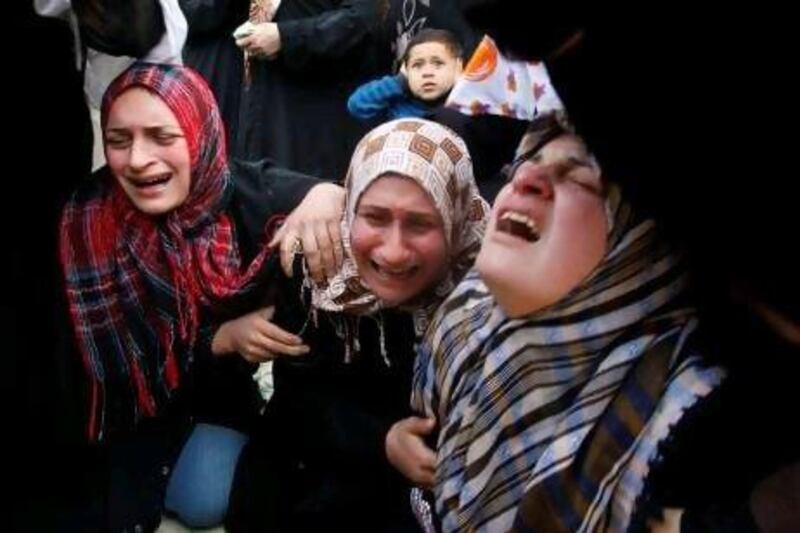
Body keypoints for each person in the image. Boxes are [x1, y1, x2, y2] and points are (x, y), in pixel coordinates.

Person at [58, 62, 343, 531]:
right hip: (120, 407)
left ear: (200, 131)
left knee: (204, 497)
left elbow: (355, 203)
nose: (137, 160)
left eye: (162, 136)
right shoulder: (87, 218)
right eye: (119, 139)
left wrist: (327, 195)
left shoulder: (249, 198)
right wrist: (220, 339)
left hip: (213, 399)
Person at [408, 117, 725, 531]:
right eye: (522, 164)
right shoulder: (463, 315)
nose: (526, 178)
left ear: (640, 242)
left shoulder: (694, 433)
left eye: (580, 180)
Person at [227, 118, 489, 532]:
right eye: (375, 217)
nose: (394, 251)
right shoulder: (320, 270)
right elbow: (297, 402)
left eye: (421, 223)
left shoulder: (485, 296)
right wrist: (381, 441)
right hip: (307, 471)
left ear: (455, 220)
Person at [347, 28, 464, 121]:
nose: (427, 73)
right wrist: (400, 81)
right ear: (406, 70)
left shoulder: (466, 106)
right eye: (417, 65)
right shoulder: (400, 104)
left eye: (438, 63)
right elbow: (357, 105)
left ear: (458, 67)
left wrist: (462, 88)